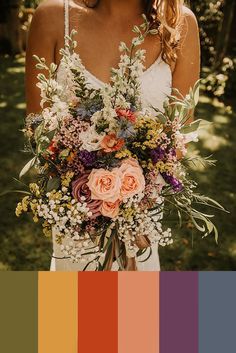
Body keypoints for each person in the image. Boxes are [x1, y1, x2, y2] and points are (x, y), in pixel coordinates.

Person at [25, 0, 200, 271]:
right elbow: (38, 131)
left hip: (141, 224)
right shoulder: (51, 18)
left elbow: (179, 137)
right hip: (77, 220)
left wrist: (127, 196)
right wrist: (93, 187)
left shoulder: (180, 25)